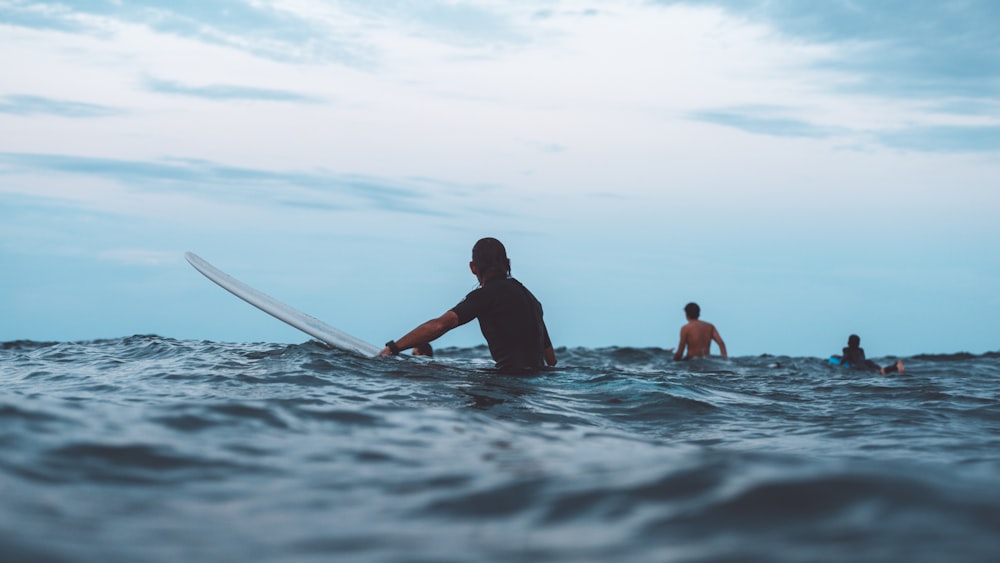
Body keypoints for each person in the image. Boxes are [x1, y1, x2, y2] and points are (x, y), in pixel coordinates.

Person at [380, 237, 557, 373]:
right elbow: (551, 359)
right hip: (536, 382)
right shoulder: (531, 299)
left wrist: (393, 348)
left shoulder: (486, 295)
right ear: (508, 263)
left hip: (509, 382)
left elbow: (441, 325)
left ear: (473, 267)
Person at [837, 334, 904, 375]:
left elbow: (845, 358)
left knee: (877, 372)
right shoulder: (861, 350)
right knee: (880, 369)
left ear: (848, 342)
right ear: (858, 343)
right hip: (867, 362)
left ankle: (894, 367)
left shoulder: (846, 350)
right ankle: (895, 366)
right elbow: (863, 358)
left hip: (858, 365)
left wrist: (839, 364)